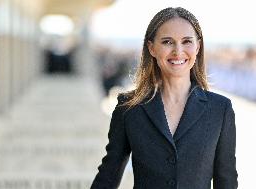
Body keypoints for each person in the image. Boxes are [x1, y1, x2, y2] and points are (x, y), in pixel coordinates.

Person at [91, 7, 238, 189]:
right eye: (168, 42)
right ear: (151, 47)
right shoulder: (128, 107)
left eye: (186, 41)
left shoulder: (220, 109)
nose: (178, 51)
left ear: (198, 47)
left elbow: (227, 182)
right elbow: (108, 176)